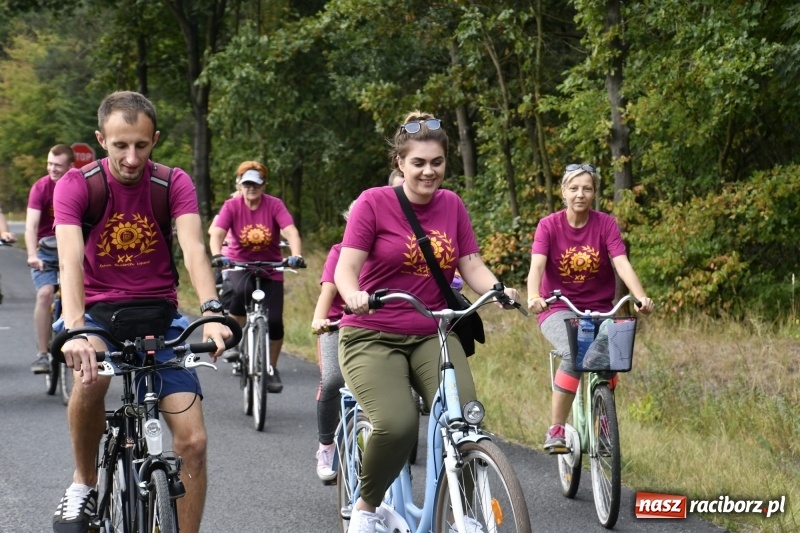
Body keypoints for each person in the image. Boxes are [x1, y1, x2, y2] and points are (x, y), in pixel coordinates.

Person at [51, 91, 231, 533]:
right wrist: (74, 329)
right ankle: (84, 482)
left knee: (193, 442)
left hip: (159, 317)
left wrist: (211, 309)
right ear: (101, 139)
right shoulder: (78, 185)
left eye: (141, 145)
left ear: (155, 140)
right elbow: (69, 259)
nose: (131, 157)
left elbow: (192, 247)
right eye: (119, 145)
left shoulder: (172, 183)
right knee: (91, 378)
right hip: (95, 313)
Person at [334, 111, 520, 532]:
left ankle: (463, 514)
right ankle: (366, 508)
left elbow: (470, 264)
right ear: (400, 163)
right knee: (397, 424)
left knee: (464, 421)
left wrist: (497, 288)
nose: (428, 171)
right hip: (371, 334)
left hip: (433, 332)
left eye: (436, 162)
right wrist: (353, 295)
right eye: (418, 162)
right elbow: (346, 268)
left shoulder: (452, 204)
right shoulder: (373, 203)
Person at [526, 163, 654, 454]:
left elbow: (621, 263)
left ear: (594, 192)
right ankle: (556, 429)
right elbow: (537, 266)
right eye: (573, 188)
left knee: (612, 356)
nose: (580, 194)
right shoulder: (549, 225)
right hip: (558, 307)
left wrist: (640, 297)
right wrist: (534, 294)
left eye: (586, 188)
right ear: (563, 192)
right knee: (575, 352)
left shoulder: (605, 224)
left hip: (599, 308)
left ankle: (604, 424)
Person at [208, 161, 304, 393]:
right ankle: (233, 339)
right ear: (240, 185)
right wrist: (217, 255)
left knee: (275, 322)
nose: (251, 189)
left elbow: (290, 231)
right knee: (240, 294)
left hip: (271, 266)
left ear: (263, 186)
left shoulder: (274, 205)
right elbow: (217, 233)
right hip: (239, 264)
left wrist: (296, 254)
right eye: (247, 184)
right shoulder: (232, 206)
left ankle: (270, 368)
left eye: (256, 184)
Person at [310, 201, 354, 482]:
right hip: (338, 326)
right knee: (334, 379)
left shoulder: (388, 252)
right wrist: (319, 318)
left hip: (377, 327)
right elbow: (328, 292)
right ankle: (326, 445)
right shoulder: (340, 253)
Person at [25, 144, 74, 374]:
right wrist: (32, 255)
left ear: (70, 167)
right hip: (45, 252)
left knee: (83, 295)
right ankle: (43, 354)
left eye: (58, 165)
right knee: (45, 294)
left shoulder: (78, 185)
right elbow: (31, 226)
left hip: (71, 248)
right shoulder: (40, 187)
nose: (52, 169)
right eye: (49, 164)